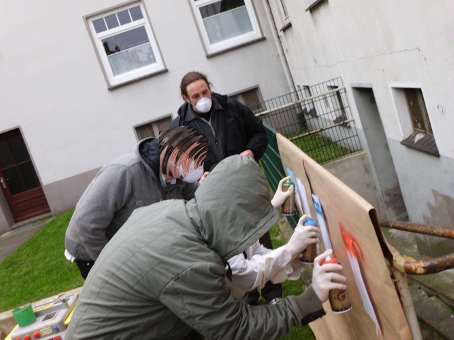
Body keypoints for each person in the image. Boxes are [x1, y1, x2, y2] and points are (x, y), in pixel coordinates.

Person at [66, 155, 347, 340]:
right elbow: (236, 328)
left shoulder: (172, 213)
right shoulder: (187, 263)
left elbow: (223, 286)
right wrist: (310, 299)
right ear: (233, 216)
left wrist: (288, 261)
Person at [172, 70, 282, 304]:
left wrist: (251, 150)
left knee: (261, 238)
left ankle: (274, 293)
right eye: (195, 96)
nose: (202, 98)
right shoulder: (179, 127)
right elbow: (178, 171)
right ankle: (249, 295)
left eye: (205, 91)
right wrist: (197, 180)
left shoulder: (232, 108)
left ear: (210, 88)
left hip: (245, 188)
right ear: (185, 98)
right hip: (215, 200)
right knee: (234, 248)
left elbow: (259, 134)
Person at [64, 127, 208, 279]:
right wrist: (119, 269)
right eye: (191, 161)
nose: (196, 167)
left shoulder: (178, 174)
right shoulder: (124, 172)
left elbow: (195, 202)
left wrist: (209, 186)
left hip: (136, 245)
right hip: (92, 250)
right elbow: (86, 226)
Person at [227, 177, 320, 300]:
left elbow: (259, 256)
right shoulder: (221, 233)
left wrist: (294, 258)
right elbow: (246, 275)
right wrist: (290, 250)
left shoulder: (238, 223)